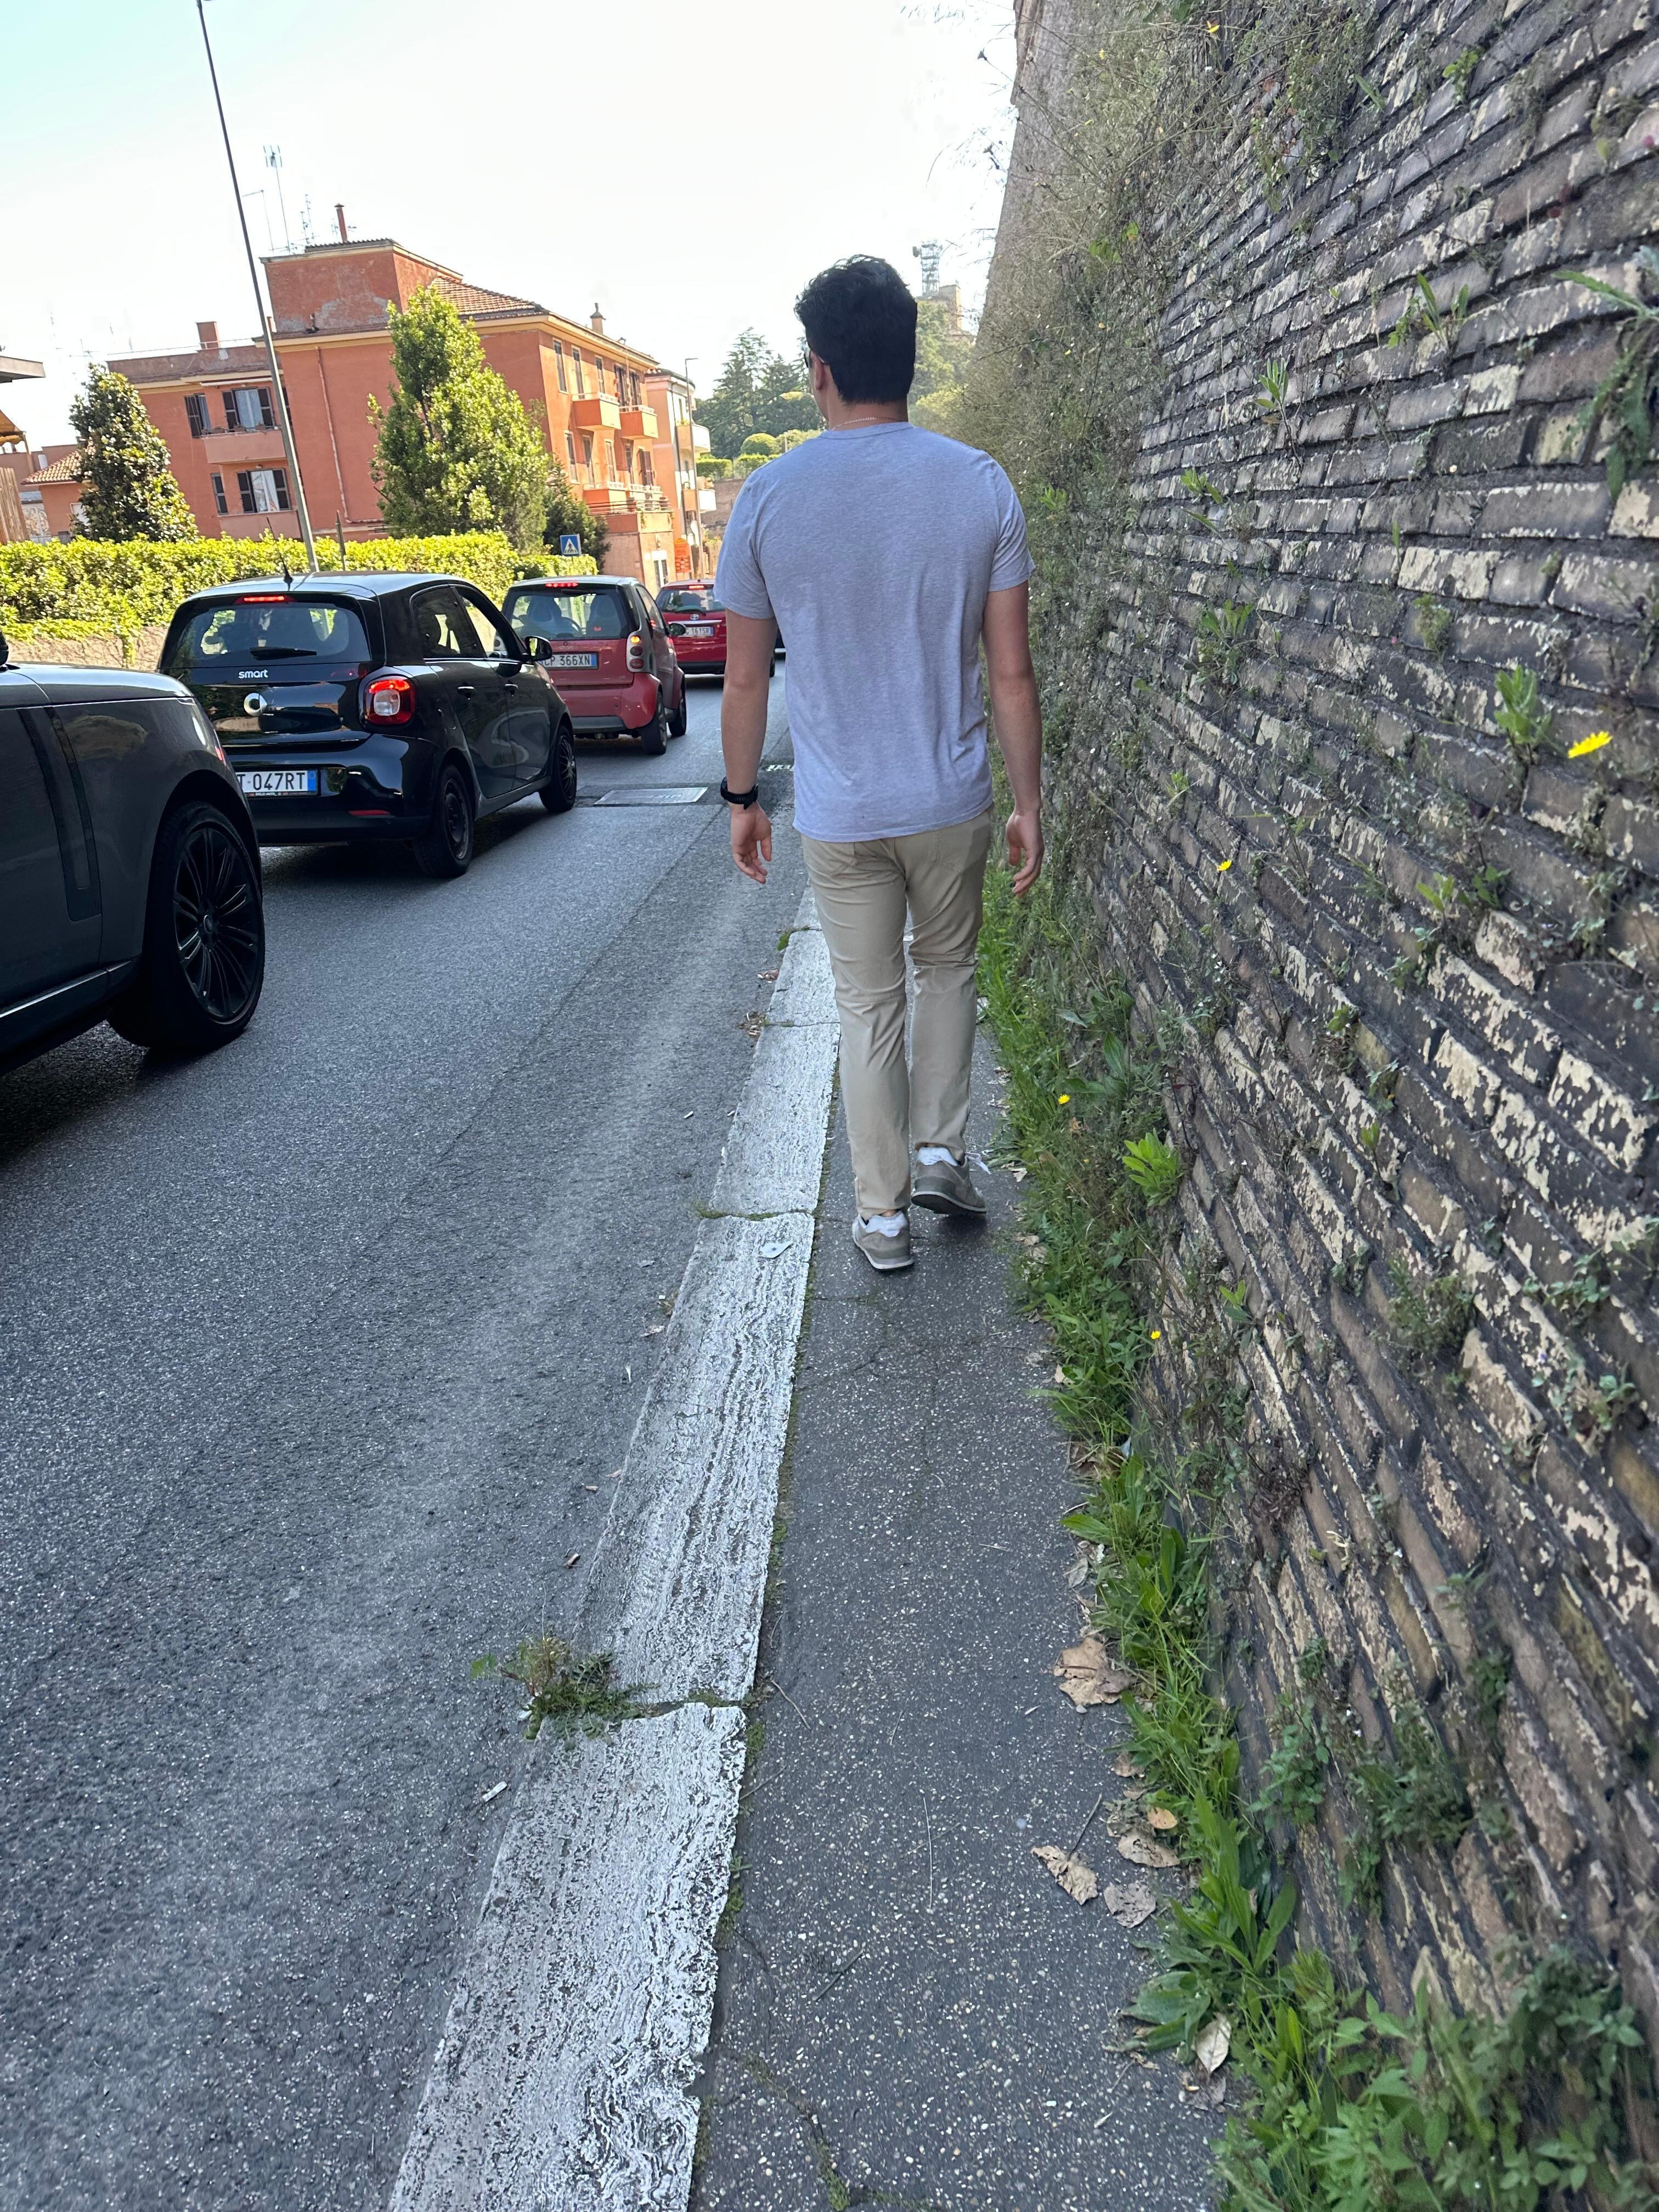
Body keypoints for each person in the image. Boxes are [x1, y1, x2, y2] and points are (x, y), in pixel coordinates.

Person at [714, 254, 1044, 1273]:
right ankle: (944, 1152)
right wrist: (1029, 801)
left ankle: (884, 1218)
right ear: (909, 361)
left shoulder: (767, 497)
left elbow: (743, 680)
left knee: (867, 1004)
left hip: (843, 810)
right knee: (948, 970)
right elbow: (1011, 673)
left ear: (819, 369)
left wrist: (742, 799)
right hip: (950, 797)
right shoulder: (978, 484)